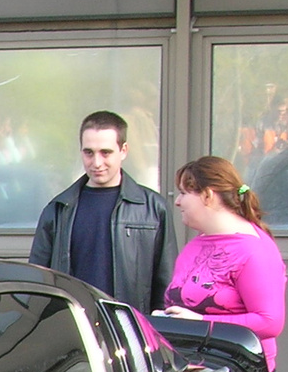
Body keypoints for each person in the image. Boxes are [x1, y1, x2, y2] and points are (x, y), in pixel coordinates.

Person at [30, 110, 178, 315]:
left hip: (131, 331)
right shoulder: (58, 209)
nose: (96, 163)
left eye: (105, 152)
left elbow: (166, 287)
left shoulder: (152, 208)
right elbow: (37, 284)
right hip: (75, 329)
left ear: (123, 150)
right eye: (88, 152)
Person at [161, 155, 287, 372]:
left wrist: (201, 321)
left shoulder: (254, 250)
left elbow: (270, 322)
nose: (177, 201)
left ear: (208, 195)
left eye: (183, 192)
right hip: (192, 367)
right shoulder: (197, 243)